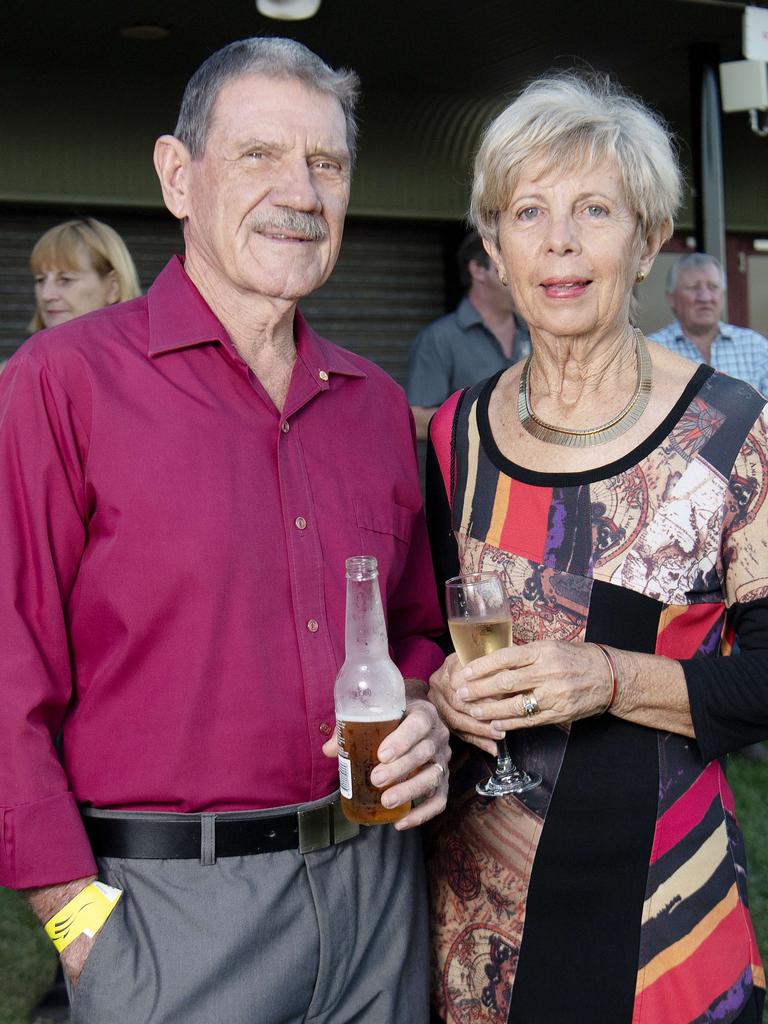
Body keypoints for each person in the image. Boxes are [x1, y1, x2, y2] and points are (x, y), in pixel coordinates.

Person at [0, 37, 450, 1024]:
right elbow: (6, 666)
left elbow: (415, 625)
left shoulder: (375, 405)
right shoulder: (60, 385)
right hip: (171, 917)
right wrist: (78, 925)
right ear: (178, 175)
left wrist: (423, 713)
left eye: (326, 163)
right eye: (259, 155)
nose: (301, 191)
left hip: (378, 894)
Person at [425, 72, 767, 1024]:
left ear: (649, 237)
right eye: (527, 212)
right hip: (474, 916)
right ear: (494, 246)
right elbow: (422, 627)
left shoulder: (734, 433)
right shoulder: (454, 434)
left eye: (594, 210)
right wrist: (437, 689)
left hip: (658, 905)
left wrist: (611, 677)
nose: (560, 242)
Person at [651, 252, 768, 762]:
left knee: (753, 604)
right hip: (676, 505)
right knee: (693, 609)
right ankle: (694, 709)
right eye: (694, 288)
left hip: (748, 499)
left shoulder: (754, 347)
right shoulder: (652, 351)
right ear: (674, 298)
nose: (704, 297)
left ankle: (746, 720)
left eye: (712, 289)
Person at [406, 231, 530, 440]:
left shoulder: (537, 333)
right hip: (471, 471)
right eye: (507, 264)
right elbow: (417, 420)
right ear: (478, 270)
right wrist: (487, 422)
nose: (520, 274)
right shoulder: (440, 337)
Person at [28, 217, 141, 332]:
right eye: (41, 280)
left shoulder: (143, 348)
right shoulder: (28, 349)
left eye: (65, 279)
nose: (46, 295)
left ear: (113, 288)